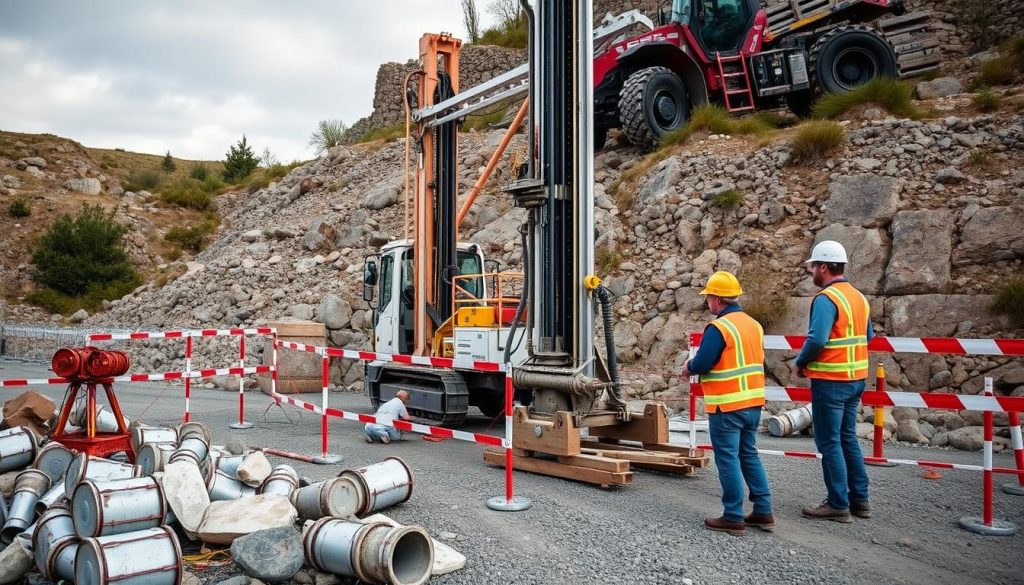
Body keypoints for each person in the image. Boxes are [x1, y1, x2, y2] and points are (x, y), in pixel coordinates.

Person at [682, 271, 773, 537]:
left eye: (708, 297)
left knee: (728, 459)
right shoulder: (753, 325)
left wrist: (688, 367)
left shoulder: (719, 327)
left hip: (726, 406)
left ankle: (733, 516)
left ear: (717, 299)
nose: (707, 302)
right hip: (753, 403)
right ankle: (763, 511)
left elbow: (703, 362)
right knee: (749, 455)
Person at [795, 240, 874, 523]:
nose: (811, 272)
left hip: (830, 379)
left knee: (828, 442)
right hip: (856, 379)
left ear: (824, 267)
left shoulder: (826, 299)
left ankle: (838, 504)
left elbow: (817, 338)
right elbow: (869, 337)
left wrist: (802, 361)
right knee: (847, 438)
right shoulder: (858, 297)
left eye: (813, 266)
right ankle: (859, 500)